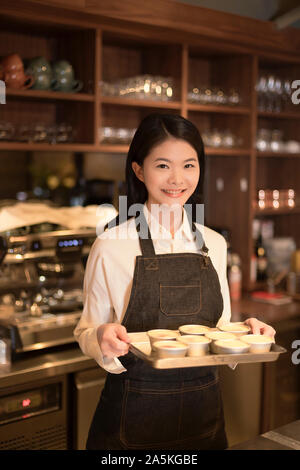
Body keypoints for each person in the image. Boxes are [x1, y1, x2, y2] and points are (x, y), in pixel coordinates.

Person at [74, 113, 276, 450]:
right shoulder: (111, 244)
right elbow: (85, 331)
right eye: (163, 165)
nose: (177, 179)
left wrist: (248, 334)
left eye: (189, 165)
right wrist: (101, 337)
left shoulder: (215, 243)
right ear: (139, 170)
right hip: (131, 422)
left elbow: (217, 330)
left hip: (205, 419)